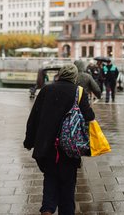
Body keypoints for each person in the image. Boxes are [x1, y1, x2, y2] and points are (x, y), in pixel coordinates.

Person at [24, 64, 95, 215]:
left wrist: (29, 141)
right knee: (67, 188)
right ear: (75, 77)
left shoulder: (46, 90)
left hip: (46, 147)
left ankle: (47, 210)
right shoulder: (79, 92)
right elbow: (89, 116)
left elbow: (34, 118)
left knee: (50, 181)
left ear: (60, 74)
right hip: (69, 148)